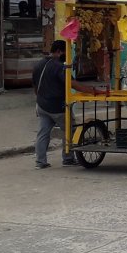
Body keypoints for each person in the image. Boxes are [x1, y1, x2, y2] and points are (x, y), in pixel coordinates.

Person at [33, 40, 76, 169]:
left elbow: (35, 85)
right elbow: (72, 83)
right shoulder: (59, 66)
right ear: (59, 51)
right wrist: (91, 91)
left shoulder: (40, 63)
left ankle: (40, 162)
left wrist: (41, 98)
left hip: (41, 106)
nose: (67, 55)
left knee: (43, 133)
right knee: (69, 130)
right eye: (66, 52)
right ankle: (68, 158)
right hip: (57, 108)